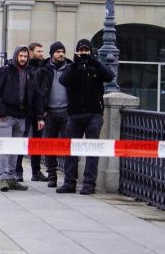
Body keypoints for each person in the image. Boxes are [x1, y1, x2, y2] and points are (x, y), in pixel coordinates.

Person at [57, 39, 114, 195]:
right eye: (81, 50)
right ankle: (69, 182)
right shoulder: (72, 68)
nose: (83, 53)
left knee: (92, 150)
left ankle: (89, 184)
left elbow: (110, 76)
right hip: (74, 115)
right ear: (76, 51)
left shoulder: (95, 67)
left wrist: (93, 60)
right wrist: (76, 62)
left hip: (94, 114)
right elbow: (63, 80)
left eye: (86, 50)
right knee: (70, 149)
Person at [0, 45, 45, 192]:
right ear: (16, 56)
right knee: (5, 148)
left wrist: (40, 117)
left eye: (25, 56)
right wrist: (0, 111)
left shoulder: (30, 73)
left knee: (15, 149)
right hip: (5, 117)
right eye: (20, 56)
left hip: (22, 117)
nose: (23, 59)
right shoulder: (4, 71)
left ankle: (12, 178)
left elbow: (37, 96)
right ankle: (4, 179)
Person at [36, 41, 71, 188]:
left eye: (62, 51)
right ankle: (52, 176)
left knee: (68, 147)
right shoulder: (43, 70)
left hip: (66, 113)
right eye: (58, 52)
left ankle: (69, 179)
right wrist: (39, 115)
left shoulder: (70, 68)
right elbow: (37, 94)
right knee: (50, 147)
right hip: (49, 113)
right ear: (52, 54)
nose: (61, 54)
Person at [16, 42, 48, 182]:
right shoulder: (27, 69)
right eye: (38, 51)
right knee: (21, 141)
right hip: (25, 111)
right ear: (30, 52)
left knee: (37, 142)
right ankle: (18, 171)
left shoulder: (44, 67)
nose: (42, 54)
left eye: (42, 51)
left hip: (39, 111)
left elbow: (41, 93)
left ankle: (36, 171)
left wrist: (42, 112)